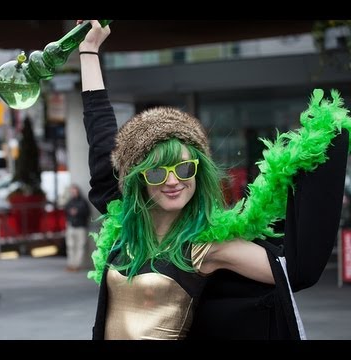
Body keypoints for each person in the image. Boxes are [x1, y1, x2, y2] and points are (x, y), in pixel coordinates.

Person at [78, 20, 350, 340]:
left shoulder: (204, 246)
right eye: (157, 171)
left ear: (198, 171)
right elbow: (102, 141)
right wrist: (88, 51)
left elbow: (296, 272)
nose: (173, 181)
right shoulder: (124, 226)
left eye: (184, 169)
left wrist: (320, 146)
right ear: (139, 179)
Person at [64, 184, 91, 272]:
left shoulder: (83, 202)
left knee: (80, 246)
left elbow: (87, 212)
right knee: (70, 246)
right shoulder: (70, 202)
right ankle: (71, 264)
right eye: (72, 191)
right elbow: (66, 211)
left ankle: (77, 265)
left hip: (80, 226)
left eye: (74, 191)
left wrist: (77, 212)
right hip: (71, 226)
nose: (73, 193)